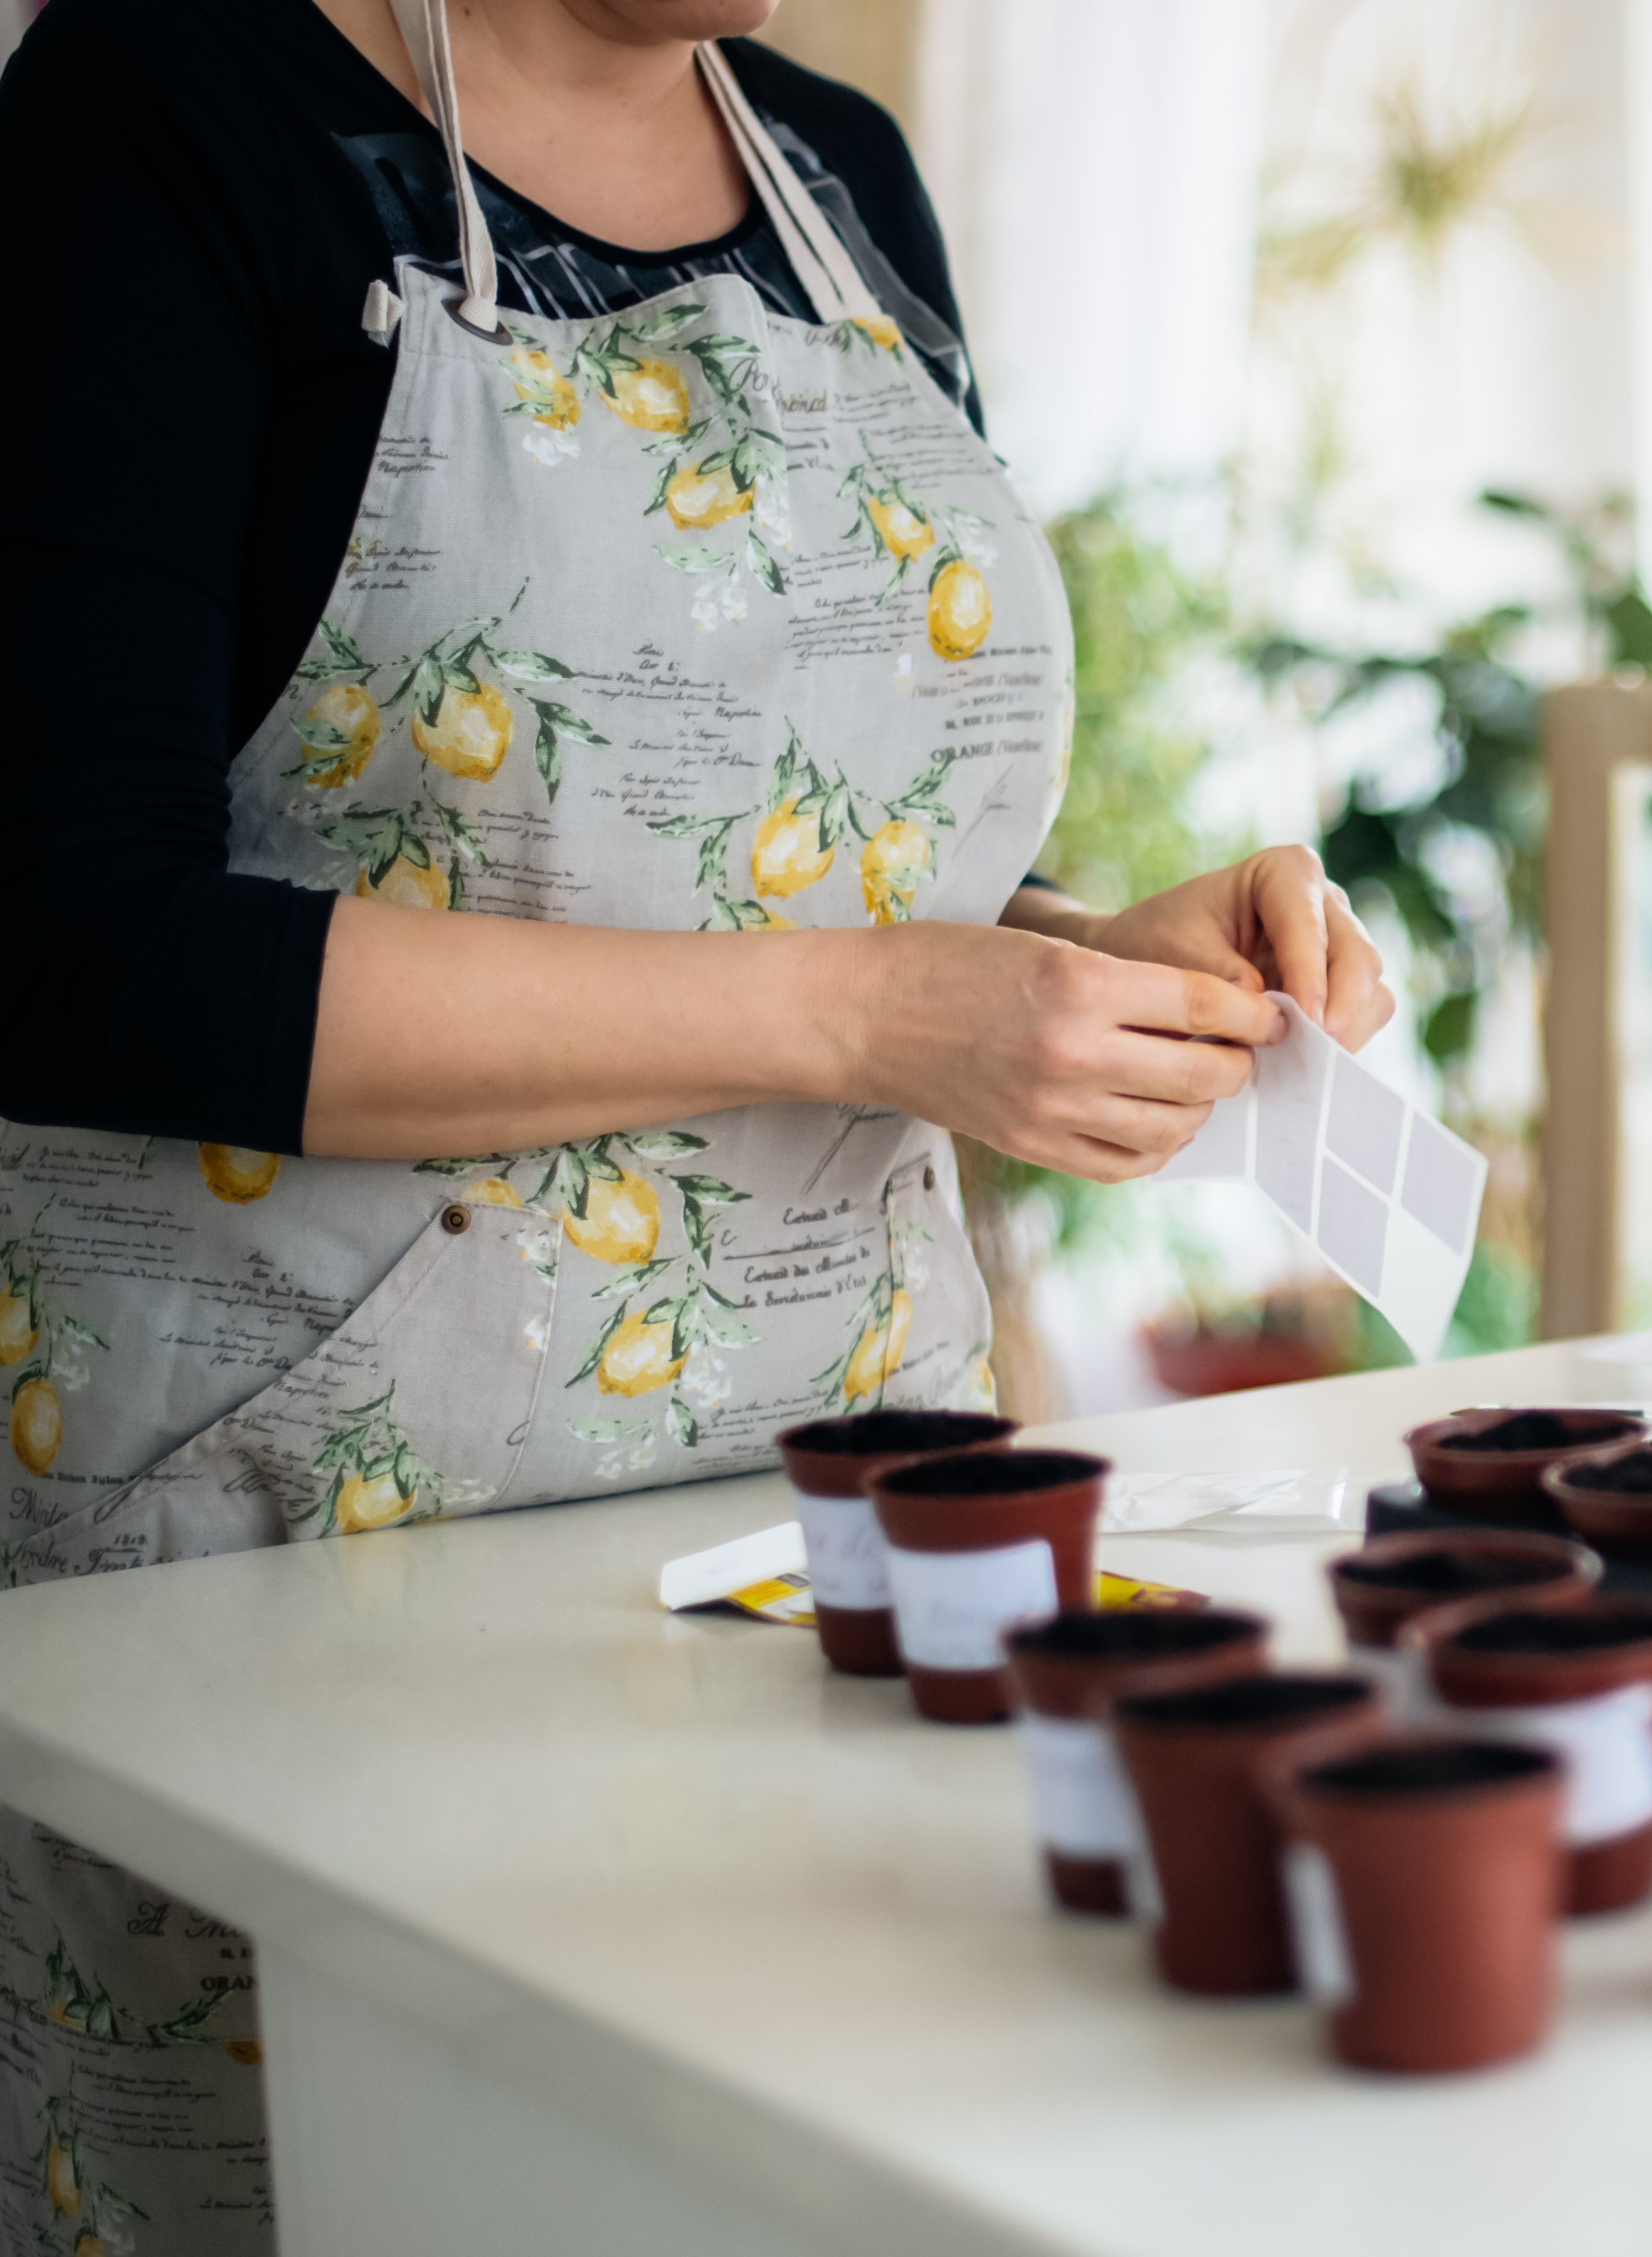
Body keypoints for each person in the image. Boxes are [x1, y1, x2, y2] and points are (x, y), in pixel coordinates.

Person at [0, 1, 1390, 2245]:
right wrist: (865, 1010)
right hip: (308, 1576)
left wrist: (1067, 964)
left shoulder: (839, 169)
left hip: (850, 1539)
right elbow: (74, 944)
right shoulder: (166, 101)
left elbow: (775, 875)